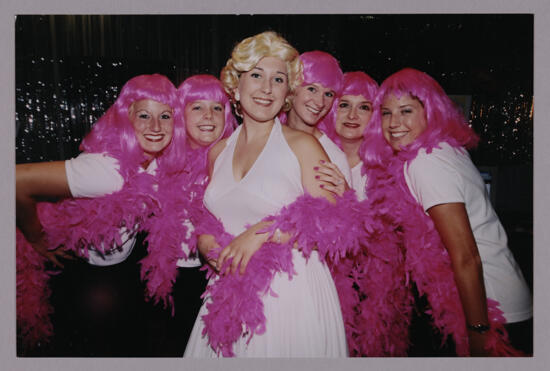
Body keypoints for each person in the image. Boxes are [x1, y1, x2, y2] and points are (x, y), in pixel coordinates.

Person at [184, 31, 348, 357]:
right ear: (237, 84)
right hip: (227, 295)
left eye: (278, 79)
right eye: (256, 75)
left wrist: (261, 234)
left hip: (291, 295)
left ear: (287, 91)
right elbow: (212, 214)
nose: (266, 88)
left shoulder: (303, 145)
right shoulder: (218, 152)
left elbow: (331, 217)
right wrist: (204, 241)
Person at [363, 67, 532, 356]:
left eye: (406, 111)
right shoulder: (443, 149)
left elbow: (465, 256)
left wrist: (479, 330)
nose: (394, 123)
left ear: (430, 112)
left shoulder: (426, 163)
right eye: (387, 113)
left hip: (490, 309)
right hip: (494, 297)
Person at [16, 73, 185, 356]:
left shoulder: (156, 162)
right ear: (125, 118)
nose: (156, 126)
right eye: (144, 115)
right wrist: (35, 237)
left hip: (123, 264)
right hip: (86, 271)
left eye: (165, 116)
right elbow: (16, 181)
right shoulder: (105, 171)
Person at [139, 74, 236, 355]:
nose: (209, 116)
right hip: (164, 274)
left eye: (217, 107)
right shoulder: (158, 156)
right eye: (197, 107)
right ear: (180, 113)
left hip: (217, 276)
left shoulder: (236, 159)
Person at [284, 50, 352, 195]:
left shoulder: (333, 158)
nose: (320, 102)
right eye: (312, 89)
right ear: (292, 88)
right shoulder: (269, 134)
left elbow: (340, 215)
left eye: (328, 94)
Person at [328, 71, 378, 200]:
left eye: (363, 107)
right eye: (344, 105)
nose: (352, 115)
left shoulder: (385, 168)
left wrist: (349, 198)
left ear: (374, 115)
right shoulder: (315, 154)